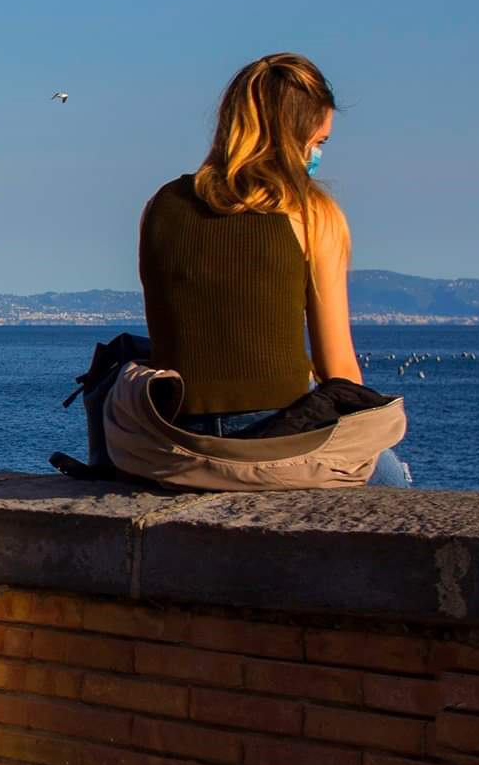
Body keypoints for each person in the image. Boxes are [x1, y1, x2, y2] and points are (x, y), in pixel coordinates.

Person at [138, 52, 411, 486]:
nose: (318, 155)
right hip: (278, 440)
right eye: (317, 142)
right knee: (394, 481)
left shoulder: (161, 206)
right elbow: (338, 370)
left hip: (174, 439)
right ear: (292, 138)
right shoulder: (312, 213)